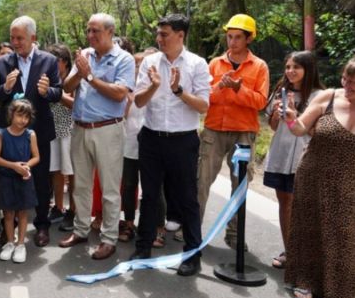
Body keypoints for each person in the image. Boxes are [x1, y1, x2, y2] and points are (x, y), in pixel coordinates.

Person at [283, 48, 355, 298]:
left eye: (353, 82)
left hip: (351, 187)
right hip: (313, 177)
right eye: (344, 79)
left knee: (346, 239)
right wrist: (290, 119)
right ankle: (305, 281)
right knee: (310, 232)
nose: (346, 85)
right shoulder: (329, 97)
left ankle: (342, 290)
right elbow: (299, 129)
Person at [130, 14, 210, 277]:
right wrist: (154, 87)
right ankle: (142, 249)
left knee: (187, 198)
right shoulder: (150, 62)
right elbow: (138, 102)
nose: (159, 39)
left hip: (183, 140)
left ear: (180, 35)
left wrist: (178, 91)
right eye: (158, 34)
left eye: (164, 34)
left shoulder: (197, 64)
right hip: (151, 138)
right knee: (149, 196)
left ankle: (192, 255)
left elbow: (203, 105)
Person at [59, 13, 134, 260]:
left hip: (108, 129)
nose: (90, 35)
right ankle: (81, 230)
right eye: (88, 30)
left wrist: (90, 75)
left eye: (96, 31)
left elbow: (119, 94)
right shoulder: (85, 57)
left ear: (110, 32)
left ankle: (109, 238)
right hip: (80, 128)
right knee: (80, 185)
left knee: (110, 189)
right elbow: (67, 88)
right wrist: (80, 73)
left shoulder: (124, 59)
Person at [196, 14, 269, 250]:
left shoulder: (259, 66)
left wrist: (239, 89)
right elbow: (203, 97)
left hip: (243, 133)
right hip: (214, 130)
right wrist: (220, 86)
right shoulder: (215, 64)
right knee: (201, 181)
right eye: (229, 36)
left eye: (238, 37)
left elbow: (260, 102)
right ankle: (192, 230)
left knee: (240, 186)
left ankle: (235, 234)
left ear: (249, 39)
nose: (233, 41)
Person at [0, 15, 62, 247]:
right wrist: (5, 88)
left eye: (20, 38)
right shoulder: (2, 64)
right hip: (9, 135)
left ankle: (41, 225)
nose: (15, 42)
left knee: (40, 180)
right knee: (8, 181)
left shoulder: (49, 61)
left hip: (38, 131)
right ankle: (8, 228)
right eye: (12, 38)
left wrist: (46, 91)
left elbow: (58, 93)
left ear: (33, 38)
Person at [263, 51, 323, 269]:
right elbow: (271, 126)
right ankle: (289, 251)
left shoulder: (320, 96)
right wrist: (276, 116)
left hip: (304, 157)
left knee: (304, 206)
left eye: (296, 67)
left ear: (308, 70)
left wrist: (296, 115)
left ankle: (306, 253)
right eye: (288, 67)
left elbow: (318, 131)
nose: (290, 71)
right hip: (281, 153)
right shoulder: (280, 91)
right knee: (285, 203)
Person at [0, 99, 40, 263]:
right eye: (20, 116)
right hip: (7, 178)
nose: (23, 120)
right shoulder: (1, 134)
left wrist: (26, 166)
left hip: (24, 178)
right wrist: (13, 166)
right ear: (11, 114)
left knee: (23, 213)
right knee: (8, 213)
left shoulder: (30, 134)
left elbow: (36, 157)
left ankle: (21, 244)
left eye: (26, 117)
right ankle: (10, 242)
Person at [119, 48, 158, 244]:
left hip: (153, 144)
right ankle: (128, 222)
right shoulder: (126, 88)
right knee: (128, 184)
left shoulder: (157, 87)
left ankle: (157, 226)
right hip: (129, 143)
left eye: (141, 64)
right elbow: (121, 116)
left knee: (154, 187)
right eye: (135, 65)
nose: (137, 68)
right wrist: (127, 102)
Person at [45, 44, 76, 232]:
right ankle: (58, 207)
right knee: (55, 171)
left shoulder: (72, 79)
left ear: (64, 61)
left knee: (71, 173)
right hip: (51, 131)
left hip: (69, 131)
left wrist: (55, 94)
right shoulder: (48, 78)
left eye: (53, 61)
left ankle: (73, 210)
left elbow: (75, 104)